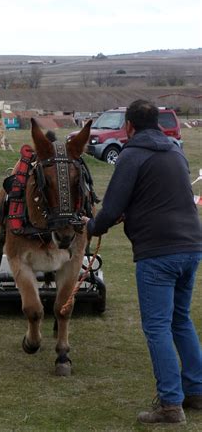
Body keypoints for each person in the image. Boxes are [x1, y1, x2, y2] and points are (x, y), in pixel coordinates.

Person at [84, 100, 201, 425]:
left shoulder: (131, 155)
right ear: (158, 122)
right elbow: (162, 195)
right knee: (180, 319)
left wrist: (92, 228)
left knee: (158, 326)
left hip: (159, 252)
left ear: (129, 127)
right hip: (192, 246)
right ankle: (197, 391)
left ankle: (170, 405)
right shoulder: (175, 151)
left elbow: (111, 208)